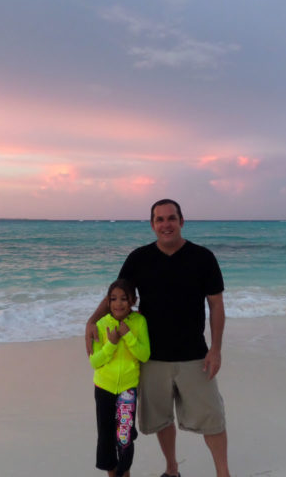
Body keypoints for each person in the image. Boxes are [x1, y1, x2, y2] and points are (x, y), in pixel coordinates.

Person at [86, 199, 231, 477]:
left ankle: (223, 473)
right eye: (160, 219)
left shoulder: (203, 257)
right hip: (151, 357)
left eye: (171, 218)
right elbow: (117, 296)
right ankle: (172, 470)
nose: (166, 224)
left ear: (182, 221)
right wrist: (92, 320)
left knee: (212, 419)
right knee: (162, 419)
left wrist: (216, 349)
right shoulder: (139, 258)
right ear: (153, 225)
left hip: (194, 355)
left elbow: (216, 304)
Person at [89, 279, 150, 477]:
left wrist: (129, 336)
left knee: (124, 437)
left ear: (133, 300)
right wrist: (112, 343)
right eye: (113, 299)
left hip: (127, 390)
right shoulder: (101, 324)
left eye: (124, 299)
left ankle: (125, 473)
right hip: (104, 388)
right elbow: (95, 362)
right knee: (106, 437)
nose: (118, 303)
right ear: (108, 302)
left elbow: (144, 355)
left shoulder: (139, 322)